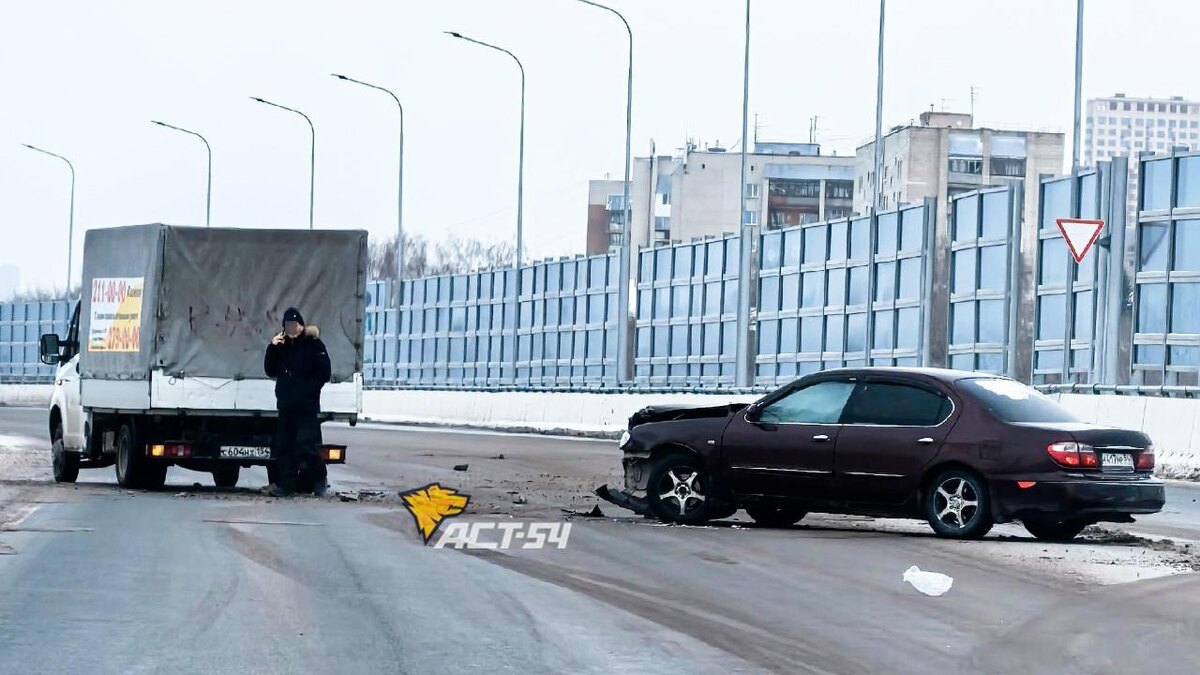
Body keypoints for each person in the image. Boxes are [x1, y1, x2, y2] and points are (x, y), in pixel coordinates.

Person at [262, 307, 331, 497]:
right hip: (286, 405)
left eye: (295, 324)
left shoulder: (314, 345)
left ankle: (319, 479)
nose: (292, 328)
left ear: (301, 325)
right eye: (288, 325)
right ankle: (287, 485)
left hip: (306, 406)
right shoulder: (281, 347)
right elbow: (269, 370)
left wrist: (308, 390)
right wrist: (272, 347)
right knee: (285, 447)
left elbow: (324, 373)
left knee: (307, 445)